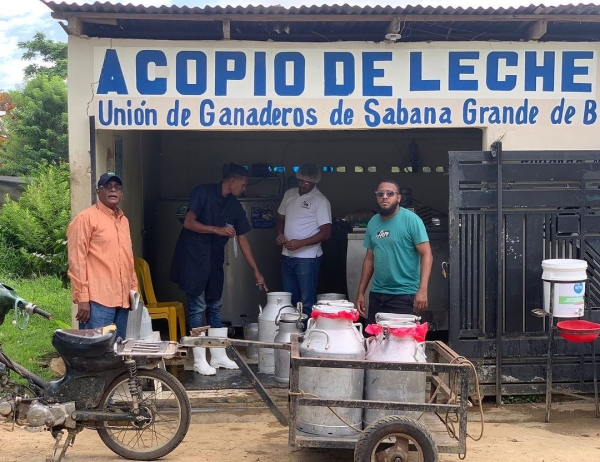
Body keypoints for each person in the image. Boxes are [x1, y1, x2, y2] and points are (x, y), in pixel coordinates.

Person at [170, 163, 268, 375]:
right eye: (242, 184)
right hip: (193, 258)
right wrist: (216, 230)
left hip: (214, 260)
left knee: (215, 305)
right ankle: (198, 359)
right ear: (231, 180)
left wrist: (256, 270)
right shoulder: (203, 192)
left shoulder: (235, 206)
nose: (244, 188)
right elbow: (188, 222)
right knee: (197, 307)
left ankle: (218, 355)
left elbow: (243, 240)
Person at [67, 172, 138, 339]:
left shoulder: (124, 220)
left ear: (122, 193)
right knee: (96, 353)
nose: (113, 190)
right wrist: (82, 298)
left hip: (123, 299)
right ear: (98, 192)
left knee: (118, 351)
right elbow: (77, 260)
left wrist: (133, 290)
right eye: (107, 186)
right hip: (97, 300)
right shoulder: (86, 218)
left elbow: (128, 258)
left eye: (117, 187)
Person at [356, 180, 433, 324]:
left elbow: (426, 254)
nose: (384, 196)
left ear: (398, 198)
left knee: (401, 343)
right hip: (377, 295)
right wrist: (361, 292)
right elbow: (369, 259)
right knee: (374, 341)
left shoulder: (412, 220)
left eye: (390, 193)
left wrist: (422, 290)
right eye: (380, 193)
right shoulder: (373, 222)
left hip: (404, 295)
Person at [276, 163, 332, 317]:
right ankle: (292, 334)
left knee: (307, 301)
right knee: (289, 300)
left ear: (315, 182)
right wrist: (279, 234)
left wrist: (301, 243)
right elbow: (281, 219)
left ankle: (307, 335)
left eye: (307, 182)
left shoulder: (320, 200)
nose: (303, 184)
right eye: (301, 180)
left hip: (308, 259)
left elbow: (326, 233)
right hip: (287, 256)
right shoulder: (289, 194)